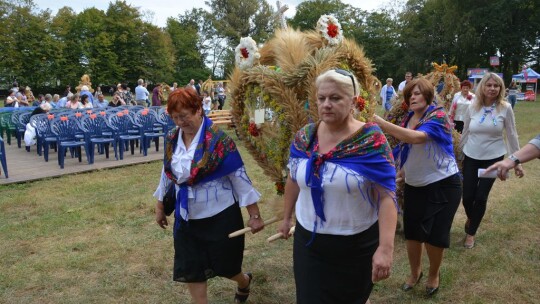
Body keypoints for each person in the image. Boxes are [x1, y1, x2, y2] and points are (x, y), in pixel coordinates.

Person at [278, 69, 397, 304]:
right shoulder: (305, 137)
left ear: (353, 101)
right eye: (321, 98)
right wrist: (286, 218)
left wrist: (386, 248)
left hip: (356, 245)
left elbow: (386, 196)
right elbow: (293, 179)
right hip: (309, 241)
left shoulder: (371, 141)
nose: (326, 104)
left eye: (335, 98)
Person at [153, 88, 264, 304]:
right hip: (186, 218)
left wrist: (255, 214)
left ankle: (243, 281)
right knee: (192, 268)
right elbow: (167, 173)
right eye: (175, 118)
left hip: (220, 216)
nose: (180, 122)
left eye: (184, 116)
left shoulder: (220, 141)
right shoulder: (172, 138)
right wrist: (159, 206)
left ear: (198, 110)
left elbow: (239, 178)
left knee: (227, 267)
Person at [373, 78, 461, 297]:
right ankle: (415, 273)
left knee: (435, 236)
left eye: (418, 93)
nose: (413, 97)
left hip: (444, 184)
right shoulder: (409, 118)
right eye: (410, 94)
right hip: (415, 184)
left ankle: (433, 275)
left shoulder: (438, 116)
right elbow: (407, 149)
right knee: (413, 234)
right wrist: (402, 171)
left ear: (429, 96)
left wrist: (380, 122)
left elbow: (416, 139)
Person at [459, 72, 523, 249]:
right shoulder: (472, 106)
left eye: (496, 86)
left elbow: (511, 134)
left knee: (480, 197)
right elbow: (465, 132)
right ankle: (472, 218)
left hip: (493, 159)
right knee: (467, 197)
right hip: (471, 155)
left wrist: (516, 161)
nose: (492, 88)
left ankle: (471, 233)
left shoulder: (506, 108)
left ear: (501, 88)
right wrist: (458, 154)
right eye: (489, 85)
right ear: (483, 87)